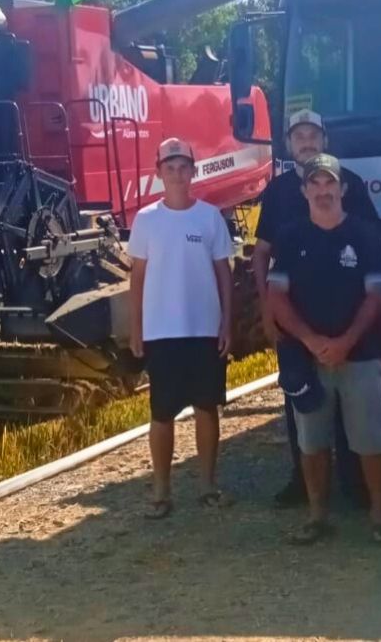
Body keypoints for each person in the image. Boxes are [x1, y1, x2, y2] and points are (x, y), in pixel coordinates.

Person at [267, 153, 381, 545]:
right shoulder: (290, 238)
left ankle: (380, 515)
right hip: (307, 359)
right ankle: (318, 516)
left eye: (330, 184)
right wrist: (310, 341)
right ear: (304, 189)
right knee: (311, 442)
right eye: (315, 184)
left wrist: (344, 342)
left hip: (360, 354)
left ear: (343, 189)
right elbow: (277, 297)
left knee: (372, 440)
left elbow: (375, 298)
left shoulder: (365, 236)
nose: (323, 191)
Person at [252, 109, 379, 508]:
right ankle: (302, 485)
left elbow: (370, 245)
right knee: (301, 402)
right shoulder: (275, 192)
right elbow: (261, 253)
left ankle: (354, 486)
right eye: (298, 136)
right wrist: (266, 308)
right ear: (289, 144)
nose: (306, 142)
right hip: (296, 321)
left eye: (313, 135)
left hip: (347, 321)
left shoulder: (352, 185)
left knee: (352, 414)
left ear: (324, 140)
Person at [128, 138, 234, 520]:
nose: (177, 174)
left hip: (204, 329)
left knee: (206, 408)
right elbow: (136, 278)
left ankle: (207, 485)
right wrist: (136, 328)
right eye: (169, 167)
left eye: (183, 167)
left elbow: (224, 273)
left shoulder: (209, 217)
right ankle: (161, 491)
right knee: (162, 413)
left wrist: (226, 322)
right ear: (159, 172)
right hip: (162, 332)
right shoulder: (146, 220)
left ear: (193, 171)